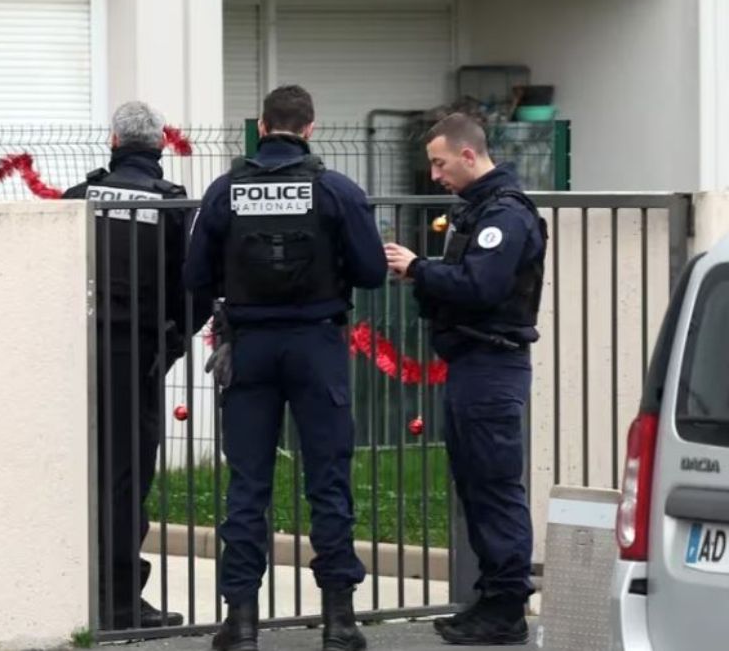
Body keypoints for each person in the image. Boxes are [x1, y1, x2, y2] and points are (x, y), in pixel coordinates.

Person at [184, 85, 386, 651]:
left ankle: (242, 625)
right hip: (317, 346)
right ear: (311, 127)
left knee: (248, 486)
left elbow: (195, 274)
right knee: (328, 481)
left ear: (262, 126)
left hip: (248, 348)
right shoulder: (336, 191)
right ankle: (340, 624)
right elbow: (371, 272)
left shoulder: (226, 191)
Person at [383, 112, 547, 645]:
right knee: (476, 484)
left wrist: (418, 269)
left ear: (469, 155)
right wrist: (430, 276)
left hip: (492, 364)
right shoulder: (478, 211)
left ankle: (505, 607)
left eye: (440, 162)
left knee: (495, 487)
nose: (435, 175)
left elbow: (480, 285)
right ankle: (491, 598)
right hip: (472, 364)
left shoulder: (506, 215)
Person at [62, 100, 196, 630]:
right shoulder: (169, 205)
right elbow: (189, 288)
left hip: (77, 353)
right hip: (137, 354)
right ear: (160, 145)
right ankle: (118, 603)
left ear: (113, 143)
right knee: (126, 477)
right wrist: (172, 345)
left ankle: (79, 593)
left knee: (82, 473)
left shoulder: (80, 198)